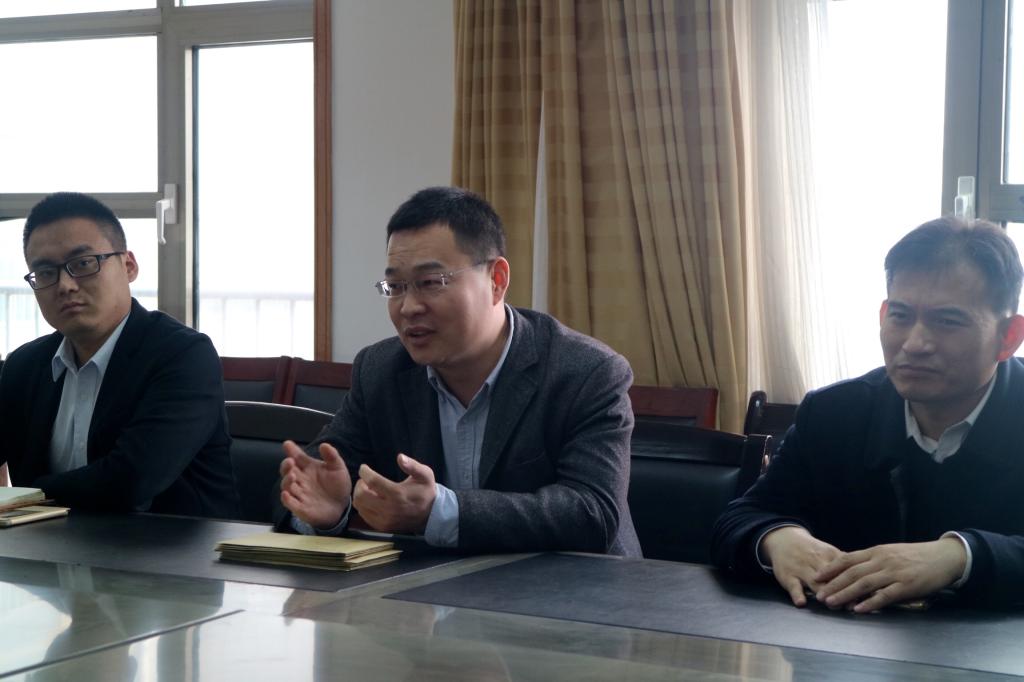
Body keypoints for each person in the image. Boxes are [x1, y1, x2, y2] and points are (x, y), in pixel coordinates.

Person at [276, 186, 640, 556]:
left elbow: (593, 513)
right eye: (396, 286)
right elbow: (319, 474)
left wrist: (440, 512)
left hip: (574, 587)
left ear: (496, 280)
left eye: (431, 282)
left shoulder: (586, 372)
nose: (409, 307)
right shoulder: (380, 370)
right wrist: (326, 511)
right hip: (432, 587)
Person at [712, 217, 1024, 610]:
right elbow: (741, 517)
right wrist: (778, 538)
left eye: (947, 321)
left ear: (1008, 337)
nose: (915, 343)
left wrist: (961, 557)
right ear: (882, 316)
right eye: (901, 316)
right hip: (844, 642)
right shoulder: (834, 413)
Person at [0, 192, 238, 517]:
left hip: (171, 547)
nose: (65, 285)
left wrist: (24, 498)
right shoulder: (23, 366)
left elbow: (130, 480)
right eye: (45, 272)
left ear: (128, 266)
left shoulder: (183, 355)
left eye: (83, 264)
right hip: (49, 546)